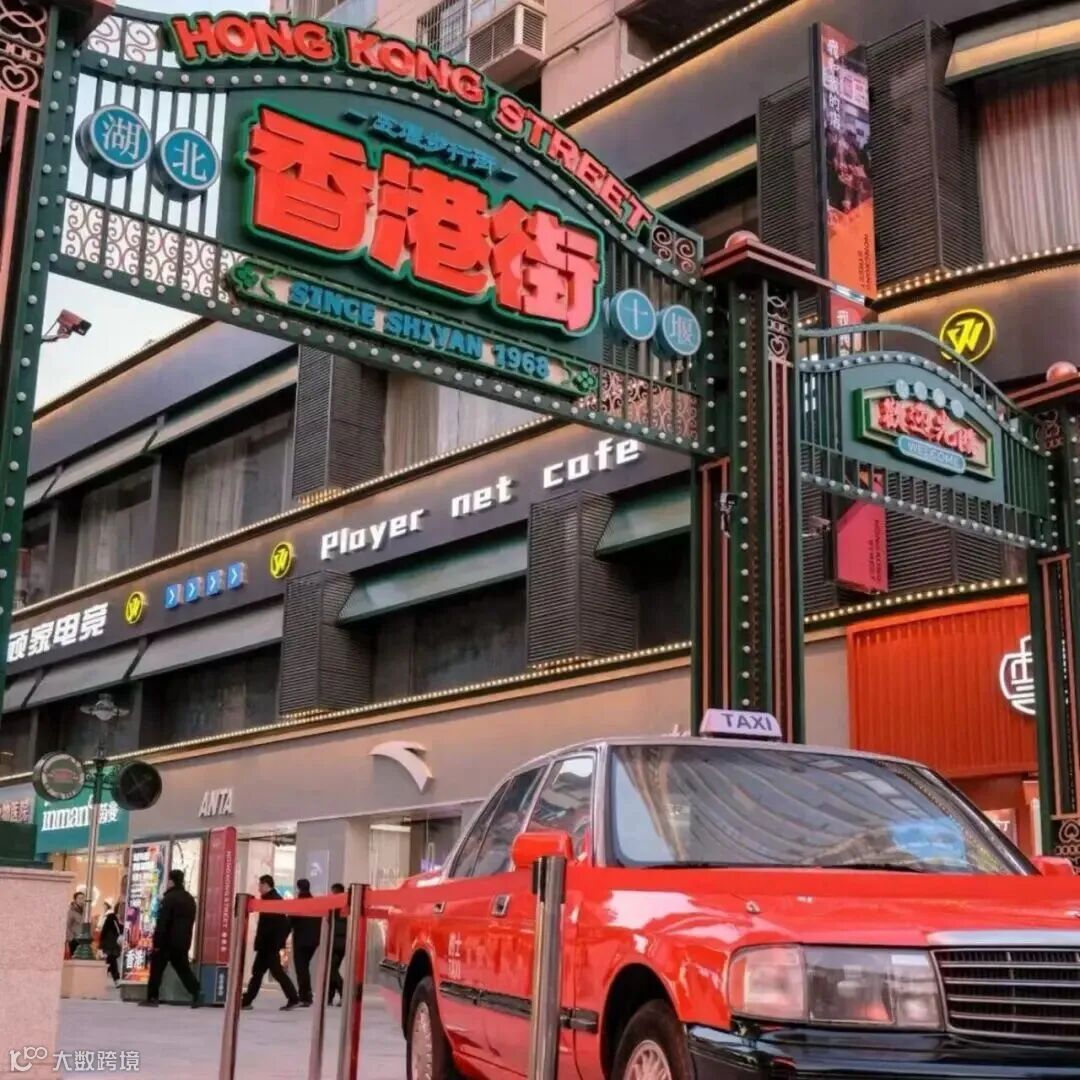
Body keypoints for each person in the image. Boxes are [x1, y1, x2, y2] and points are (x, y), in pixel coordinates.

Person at [141, 869, 201, 1007]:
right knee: (183, 970)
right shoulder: (189, 899)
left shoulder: (168, 899)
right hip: (182, 942)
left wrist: (157, 943)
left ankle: (152, 997)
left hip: (166, 942)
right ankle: (197, 992)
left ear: (171, 882)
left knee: (156, 970)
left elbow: (163, 922)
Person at [242, 875, 300, 1010]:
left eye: (260, 885)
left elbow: (280, 925)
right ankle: (247, 1000)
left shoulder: (273, 900)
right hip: (267, 945)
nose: (258, 888)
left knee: (271, 973)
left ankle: (293, 998)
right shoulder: (270, 899)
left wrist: (275, 942)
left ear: (266, 885)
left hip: (268, 945)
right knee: (260, 972)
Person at [290, 879, 321, 1007]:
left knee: (301, 968)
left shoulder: (298, 903)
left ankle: (305, 996)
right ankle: (306, 995)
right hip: (313, 941)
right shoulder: (315, 903)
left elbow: (290, 921)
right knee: (304, 967)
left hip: (301, 941)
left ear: (298, 888)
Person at [327, 883, 347, 1006]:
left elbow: (334, 924)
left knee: (331, 970)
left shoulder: (336, 906)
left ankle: (343, 993)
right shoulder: (345, 905)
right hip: (341, 942)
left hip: (336, 942)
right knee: (332, 970)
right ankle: (330, 997)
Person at [99, 902, 122, 987]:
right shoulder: (111, 917)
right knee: (112, 961)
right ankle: (116, 979)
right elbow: (104, 931)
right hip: (109, 944)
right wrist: (101, 945)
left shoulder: (123, 919)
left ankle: (100, 978)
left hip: (115, 944)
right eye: (121, 908)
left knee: (110, 962)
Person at [66, 891, 86, 957]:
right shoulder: (71, 911)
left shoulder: (85, 910)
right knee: (75, 958)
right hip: (74, 939)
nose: (81, 900)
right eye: (79, 898)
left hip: (83, 939)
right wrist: (71, 939)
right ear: (75, 900)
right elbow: (67, 925)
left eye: (83, 898)